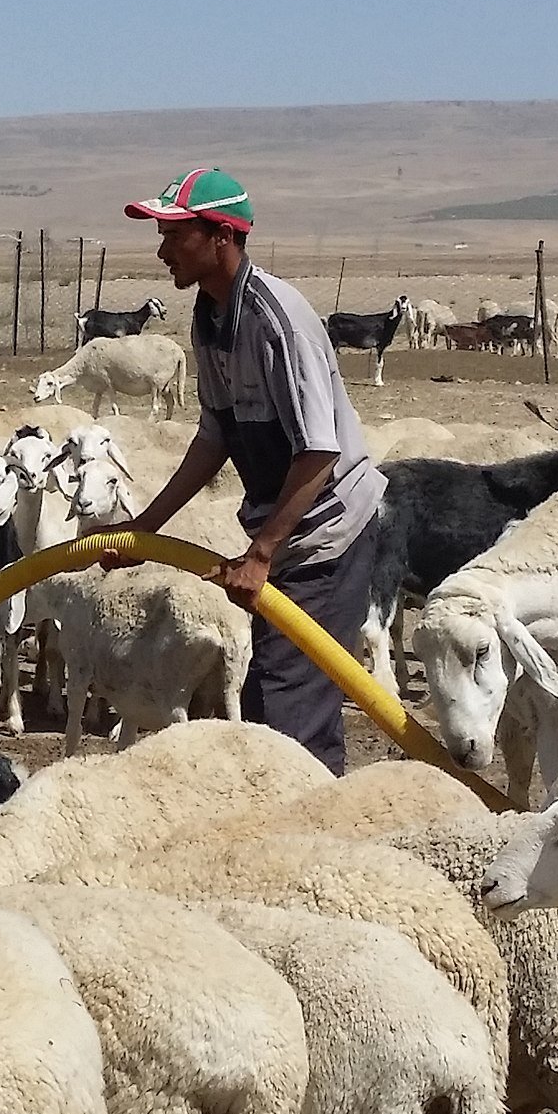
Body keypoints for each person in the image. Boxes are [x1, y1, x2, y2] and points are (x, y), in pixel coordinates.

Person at [103, 167, 385, 772]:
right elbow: (216, 437)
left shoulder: (277, 320)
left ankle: (315, 844)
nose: (161, 250)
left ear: (221, 236)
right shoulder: (210, 316)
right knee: (269, 701)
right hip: (286, 535)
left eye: (175, 235)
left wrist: (260, 553)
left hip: (327, 533)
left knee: (292, 716)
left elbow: (319, 449)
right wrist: (143, 532)